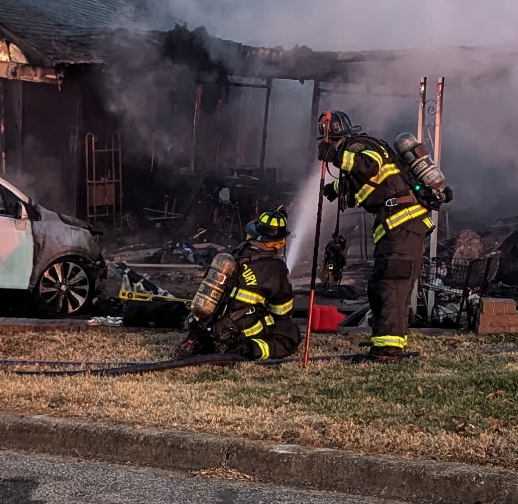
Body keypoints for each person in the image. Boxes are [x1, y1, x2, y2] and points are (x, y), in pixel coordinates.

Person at [317, 110, 430, 357]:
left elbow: (369, 166)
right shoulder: (361, 146)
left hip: (402, 225)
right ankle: (386, 340)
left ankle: (388, 348)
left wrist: (335, 156)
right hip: (398, 226)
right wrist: (336, 187)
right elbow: (372, 180)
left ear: (333, 138)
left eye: (329, 143)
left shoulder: (358, 145)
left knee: (390, 285)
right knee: (384, 284)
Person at [179, 207, 302, 360]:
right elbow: (282, 311)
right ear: (278, 241)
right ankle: (247, 349)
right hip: (237, 332)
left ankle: (204, 341)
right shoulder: (276, 267)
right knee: (289, 332)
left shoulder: (236, 252)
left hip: (208, 325)